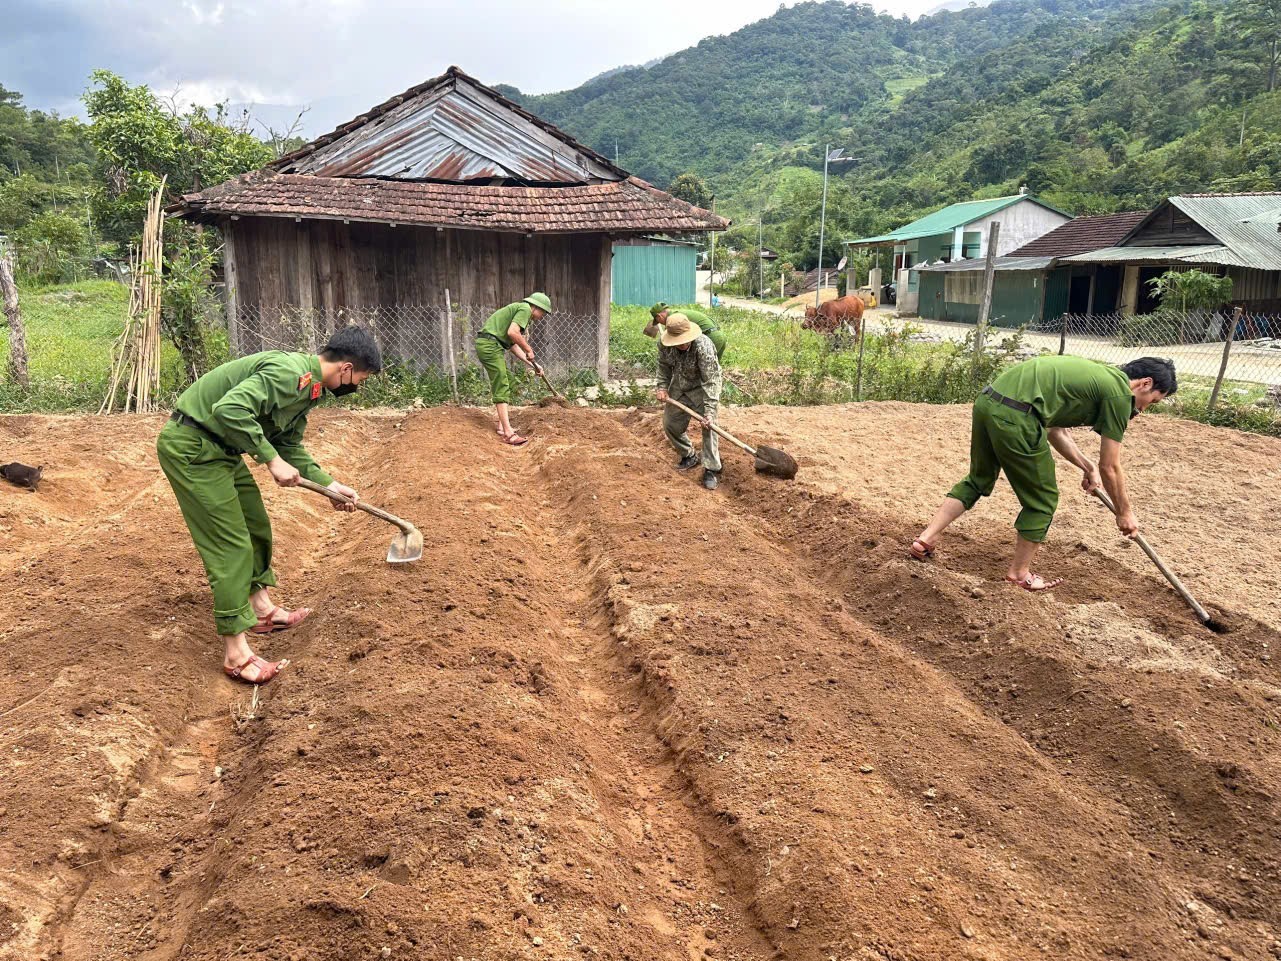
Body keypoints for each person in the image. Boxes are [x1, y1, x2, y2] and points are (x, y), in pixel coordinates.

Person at [156, 327, 382, 684]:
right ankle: (236, 654)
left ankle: (261, 610)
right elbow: (229, 409)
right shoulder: (288, 373)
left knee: (255, 526)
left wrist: (329, 485)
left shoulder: (310, 391)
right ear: (346, 369)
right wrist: (269, 460)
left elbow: (288, 444)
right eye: (361, 379)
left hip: (222, 450)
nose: (358, 387)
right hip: (193, 448)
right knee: (230, 546)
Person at [911, 355, 1177, 591]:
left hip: (987, 403)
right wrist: (1124, 512)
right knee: (1043, 500)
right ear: (1144, 383)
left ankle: (926, 539)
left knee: (978, 478)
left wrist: (1086, 466)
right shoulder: (1120, 395)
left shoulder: (1099, 377)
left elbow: (1055, 430)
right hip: (1017, 417)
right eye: (1151, 401)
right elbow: (1111, 466)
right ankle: (1018, 575)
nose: (1142, 410)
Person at [656, 315, 723, 491]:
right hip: (680, 386)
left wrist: (709, 411)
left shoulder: (704, 346)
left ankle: (711, 468)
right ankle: (689, 455)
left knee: (709, 427)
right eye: (677, 341)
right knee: (670, 424)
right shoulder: (664, 344)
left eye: (684, 341)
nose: (681, 344)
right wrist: (662, 387)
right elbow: (663, 366)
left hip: (702, 387)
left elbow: (711, 381)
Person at [475, 292, 552, 446]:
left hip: (491, 344)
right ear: (535, 307)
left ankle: (501, 426)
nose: (541, 316)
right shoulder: (525, 309)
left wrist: (532, 365)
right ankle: (508, 433)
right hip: (490, 346)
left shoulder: (520, 310)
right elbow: (513, 333)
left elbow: (512, 344)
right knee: (501, 384)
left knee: (505, 381)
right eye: (542, 312)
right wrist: (529, 349)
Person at [646, 302, 726, 360]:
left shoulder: (674, 320)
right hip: (719, 335)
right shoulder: (677, 313)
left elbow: (673, 342)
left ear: (659, 316)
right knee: (714, 368)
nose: (660, 323)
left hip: (710, 337)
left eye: (658, 321)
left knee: (702, 367)